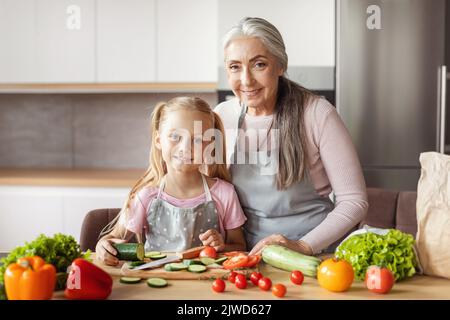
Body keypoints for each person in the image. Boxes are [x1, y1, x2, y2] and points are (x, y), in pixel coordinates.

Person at [215, 17, 369, 256]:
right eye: (235, 67)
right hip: (248, 254)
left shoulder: (317, 113)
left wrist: (303, 246)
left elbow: (354, 201)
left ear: (280, 65)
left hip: (316, 253)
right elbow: (206, 190)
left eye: (259, 65)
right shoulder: (221, 117)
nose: (246, 80)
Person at [96, 97, 247, 266]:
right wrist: (103, 246)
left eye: (198, 139)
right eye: (175, 136)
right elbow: (111, 240)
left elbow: (240, 246)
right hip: (156, 286)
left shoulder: (225, 193)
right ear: (158, 140)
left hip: (205, 287)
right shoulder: (145, 196)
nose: (185, 148)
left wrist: (222, 246)